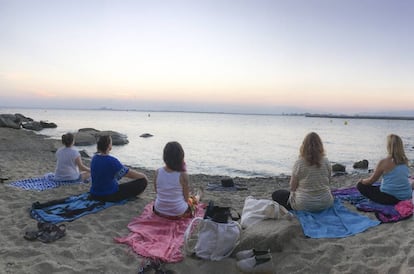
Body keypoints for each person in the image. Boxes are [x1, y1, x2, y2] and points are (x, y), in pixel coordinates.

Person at [271, 132, 333, 212]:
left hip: (304, 205)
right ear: (320, 145)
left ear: (304, 145)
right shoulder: (326, 161)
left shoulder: (299, 163)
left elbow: (293, 187)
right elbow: (328, 182)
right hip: (326, 203)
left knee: (276, 194)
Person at [89, 135, 148, 202]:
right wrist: (143, 176)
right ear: (109, 146)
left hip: (94, 193)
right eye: (111, 143)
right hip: (108, 195)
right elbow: (128, 174)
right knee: (143, 181)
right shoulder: (112, 161)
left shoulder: (94, 158)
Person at [357, 134, 412, 205]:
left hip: (391, 198)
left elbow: (371, 180)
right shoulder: (405, 160)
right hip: (406, 196)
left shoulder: (384, 162)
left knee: (360, 186)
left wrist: (362, 181)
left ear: (389, 146)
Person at [153, 141, 202, 219]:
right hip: (178, 213)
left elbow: (157, 191)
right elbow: (185, 199)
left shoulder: (157, 172)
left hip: (158, 210)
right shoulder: (183, 175)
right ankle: (198, 196)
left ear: (164, 157)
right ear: (181, 157)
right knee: (191, 200)